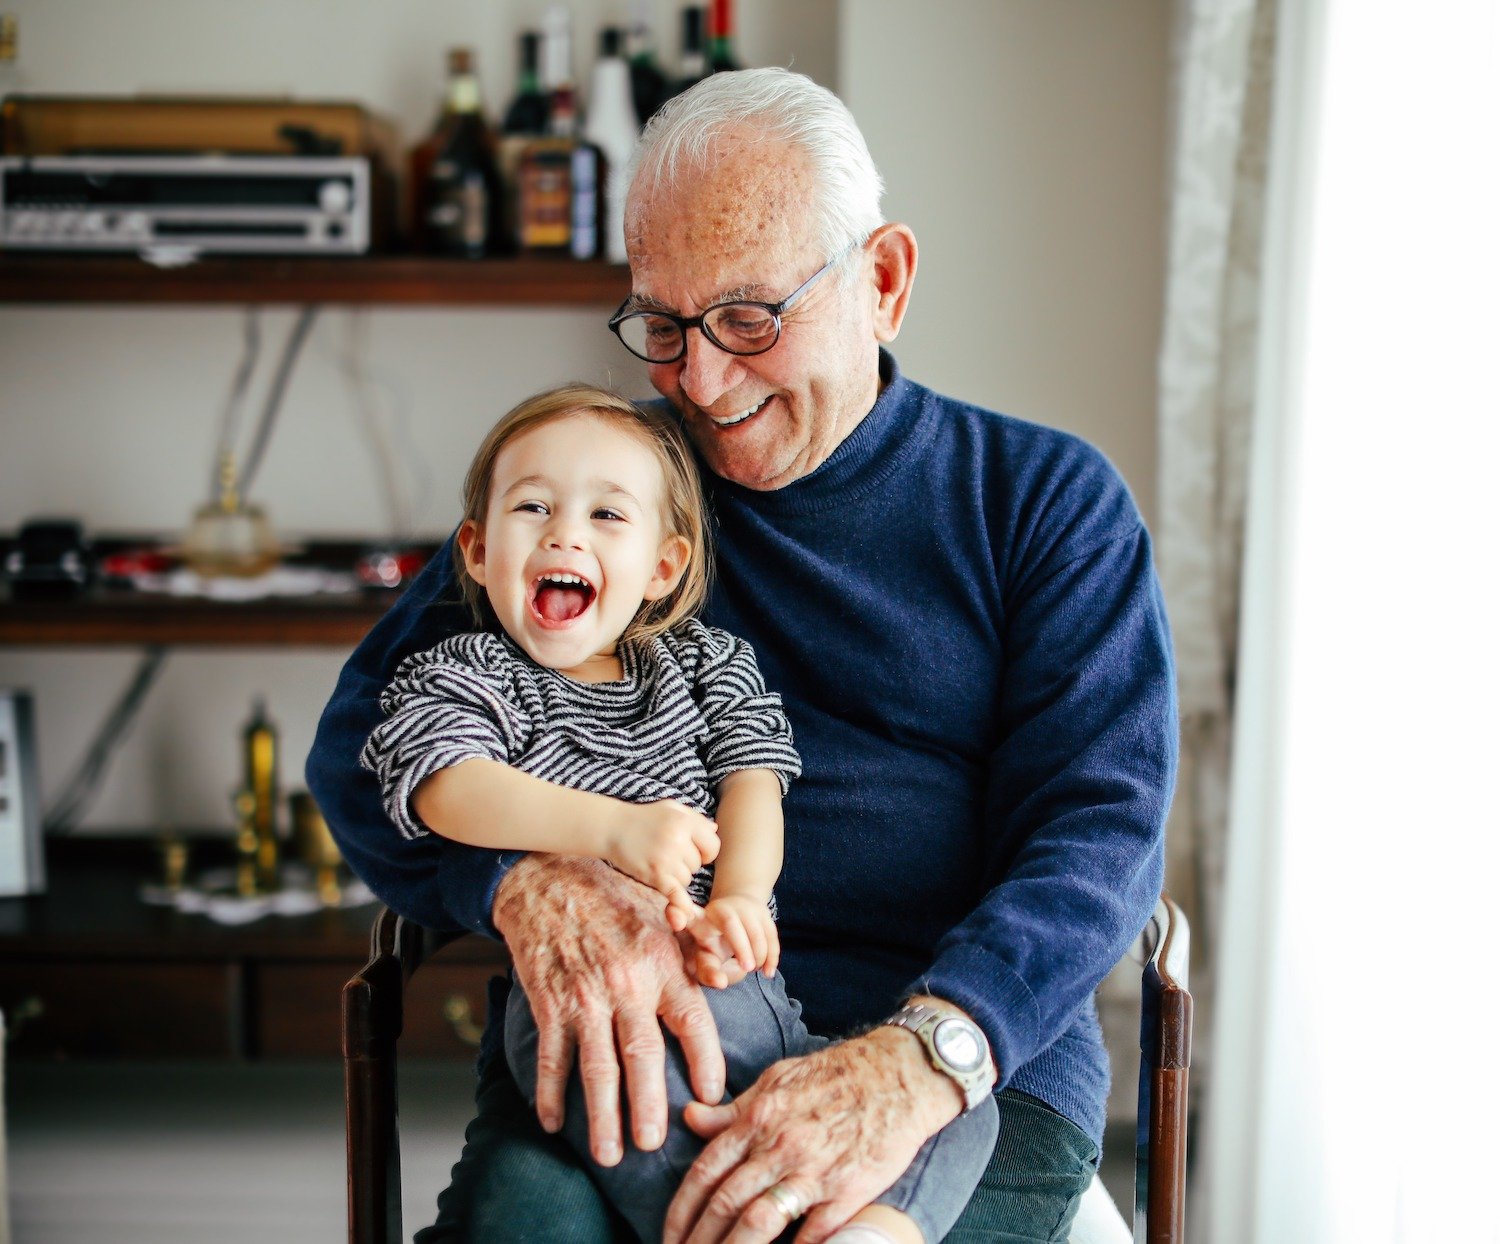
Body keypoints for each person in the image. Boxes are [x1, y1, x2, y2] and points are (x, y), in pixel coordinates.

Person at [308, 67, 1176, 1244]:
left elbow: (1100, 831)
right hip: (642, 1035)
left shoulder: (1042, 502)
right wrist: (522, 878)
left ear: (883, 281)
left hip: (954, 1061)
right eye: (662, 324)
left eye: (749, 319)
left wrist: (918, 1061)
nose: (701, 384)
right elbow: (367, 743)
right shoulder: (606, 494)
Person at [356, 384, 998, 1243]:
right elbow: (444, 783)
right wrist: (611, 830)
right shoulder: (472, 673)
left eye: (606, 515)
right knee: (632, 1106)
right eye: (533, 506)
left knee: (960, 1106)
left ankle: (875, 1231)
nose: (565, 533)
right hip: (589, 1006)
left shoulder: (703, 664)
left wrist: (739, 894)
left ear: (663, 566)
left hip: (752, 1001)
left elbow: (755, 780)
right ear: (475, 550)